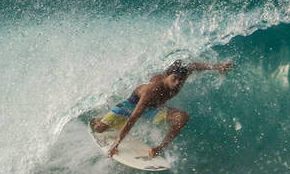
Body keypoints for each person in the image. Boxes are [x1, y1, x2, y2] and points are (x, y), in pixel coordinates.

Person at [91, 60, 233, 158]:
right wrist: (117, 144)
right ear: (166, 75)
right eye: (174, 78)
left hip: (154, 109)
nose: (177, 83)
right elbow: (133, 118)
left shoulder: (181, 75)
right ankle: (101, 119)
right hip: (131, 106)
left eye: (180, 80)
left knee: (182, 117)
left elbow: (193, 66)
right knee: (98, 129)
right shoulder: (151, 91)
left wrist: (217, 66)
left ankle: (160, 148)